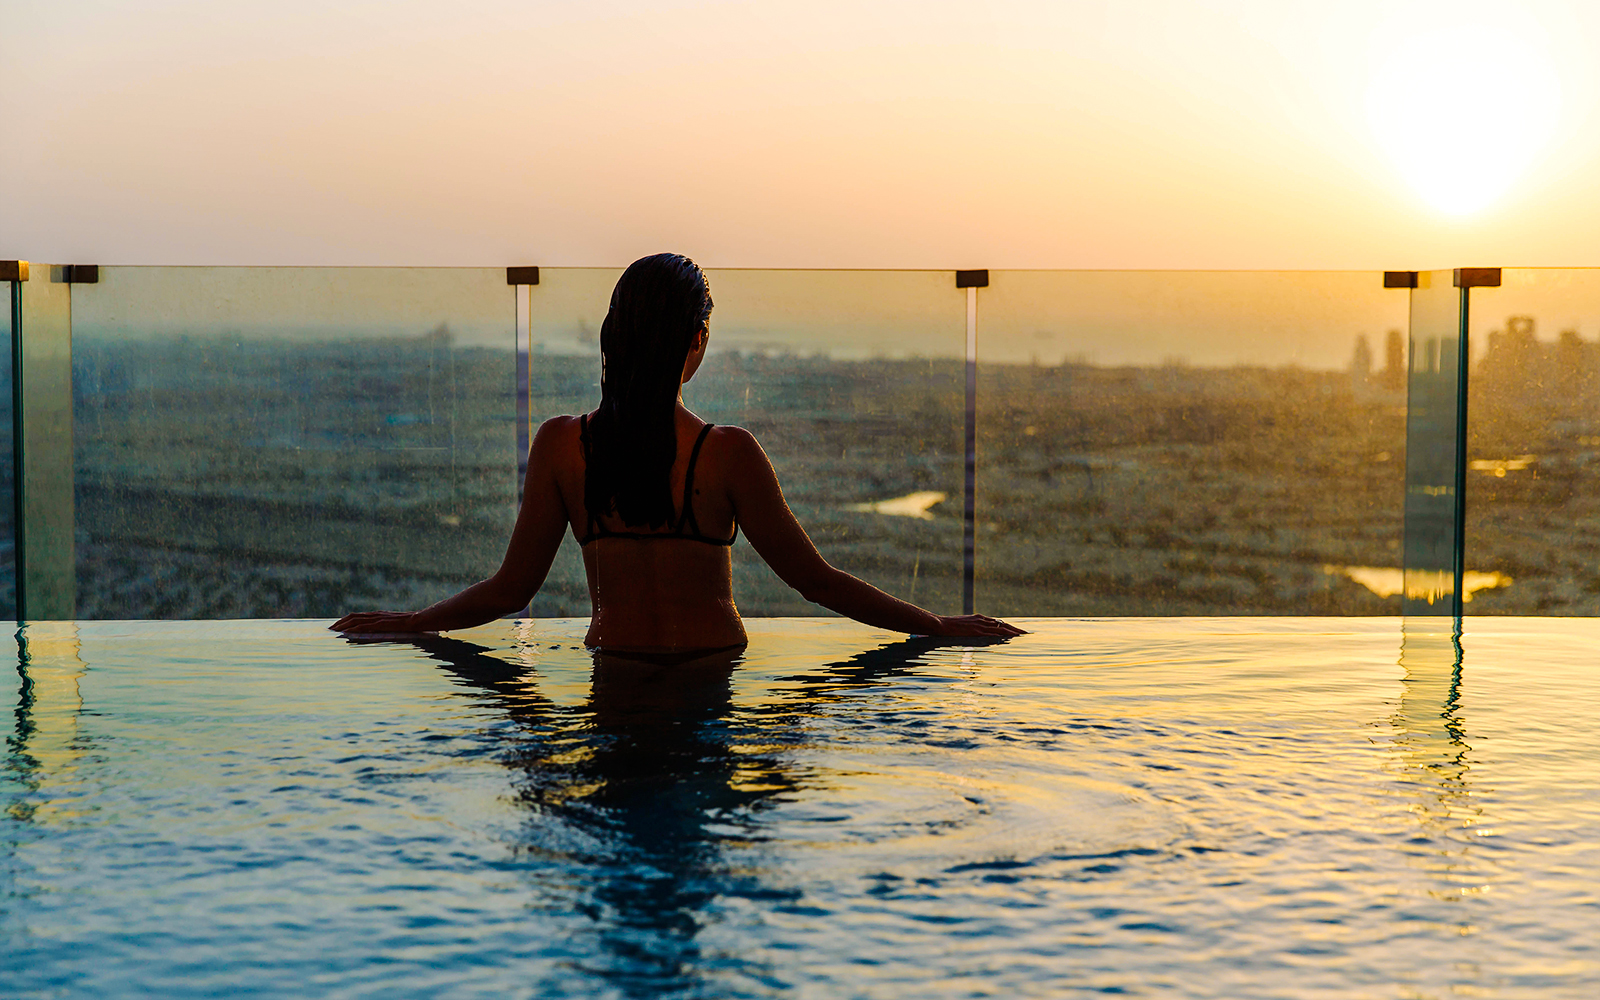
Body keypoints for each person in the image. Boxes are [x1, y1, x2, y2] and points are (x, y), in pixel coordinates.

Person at [332, 253, 1024, 650]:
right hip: (713, 681)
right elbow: (815, 581)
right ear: (695, 340)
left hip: (616, 677)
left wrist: (414, 624)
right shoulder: (728, 454)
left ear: (613, 336)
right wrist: (935, 627)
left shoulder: (562, 446)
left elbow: (513, 589)